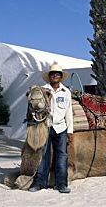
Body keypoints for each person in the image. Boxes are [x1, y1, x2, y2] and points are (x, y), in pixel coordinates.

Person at [29, 64, 73, 193]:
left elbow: (68, 112)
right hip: (45, 126)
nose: (55, 75)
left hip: (61, 128)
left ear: (61, 77)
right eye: (53, 73)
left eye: (58, 74)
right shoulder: (42, 90)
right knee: (43, 155)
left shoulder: (66, 92)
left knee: (62, 156)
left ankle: (61, 185)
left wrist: (70, 131)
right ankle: (39, 183)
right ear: (49, 76)